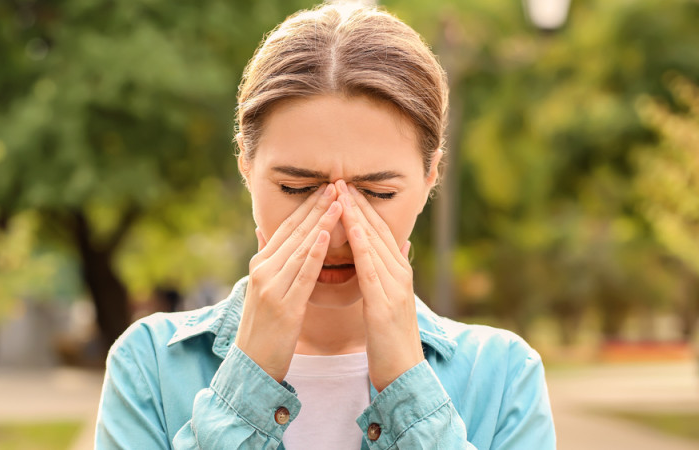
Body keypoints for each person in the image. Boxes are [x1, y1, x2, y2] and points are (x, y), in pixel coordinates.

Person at [95, 3, 556, 449]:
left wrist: (408, 385)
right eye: (297, 188)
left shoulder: (503, 376)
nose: (337, 231)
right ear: (246, 168)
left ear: (430, 176)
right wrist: (246, 383)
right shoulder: (150, 365)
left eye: (377, 194)